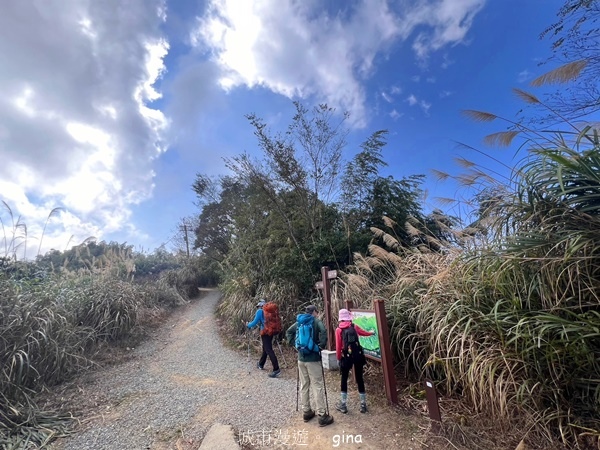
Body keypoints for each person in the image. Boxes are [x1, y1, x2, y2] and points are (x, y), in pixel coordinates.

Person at [286, 305, 334, 427]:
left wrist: (295, 346)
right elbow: (324, 331)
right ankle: (322, 415)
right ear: (314, 312)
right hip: (313, 359)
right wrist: (321, 346)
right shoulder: (316, 322)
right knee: (317, 385)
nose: (317, 314)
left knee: (304, 385)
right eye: (317, 312)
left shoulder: (300, 322)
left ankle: (306, 412)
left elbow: (289, 332)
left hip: (301, 359)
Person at [335, 308, 375, 414]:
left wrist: (339, 358)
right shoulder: (354, 326)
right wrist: (371, 333)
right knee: (359, 378)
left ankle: (343, 404)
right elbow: (363, 333)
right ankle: (363, 404)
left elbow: (338, 346)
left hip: (346, 357)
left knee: (344, 378)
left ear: (340, 318)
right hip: (357, 355)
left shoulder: (339, 330)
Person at [247, 299, 280, 378]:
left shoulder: (259, 312)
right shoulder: (271, 311)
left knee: (268, 349)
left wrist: (248, 325)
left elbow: (254, 322)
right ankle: (261, 364)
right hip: (271, 331)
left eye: (258, 306)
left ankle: (276, 369)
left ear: (260, 306)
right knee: (265, 348)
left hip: (265, 332)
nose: (258, 308)